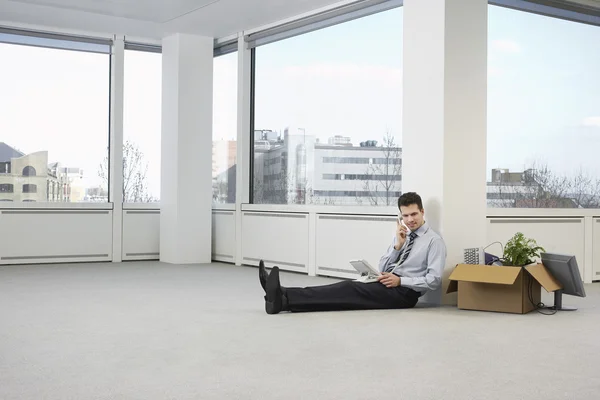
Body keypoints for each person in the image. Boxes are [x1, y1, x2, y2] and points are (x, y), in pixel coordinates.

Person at [258, 192, 447, 314]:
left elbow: (434, 280)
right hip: (388, 282)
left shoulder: (433, 241)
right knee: (344, 291)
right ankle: (281, 297)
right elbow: (382, 267)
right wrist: (397, 246)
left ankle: (283, 297)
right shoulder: (403, 235)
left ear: (422, 212)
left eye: (414, 214)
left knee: (347, 289)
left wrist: (400, 281)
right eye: (405, 215)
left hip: (404, 294)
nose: (410, 219)